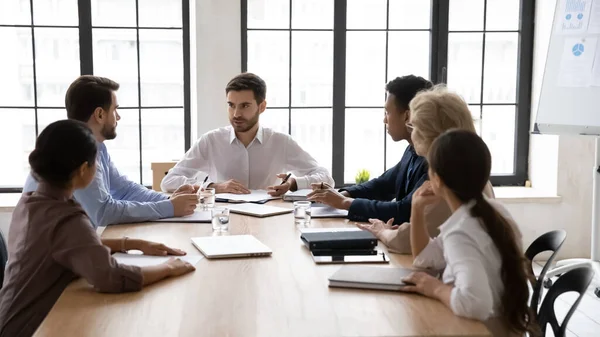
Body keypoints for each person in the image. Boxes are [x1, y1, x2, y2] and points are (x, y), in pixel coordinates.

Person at [0, 120, 196, 337]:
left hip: (11, 318)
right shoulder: (66, 218)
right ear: (84, 169)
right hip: (30, 328)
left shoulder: (32, 202)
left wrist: (132, 244)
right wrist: (167, 268)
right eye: (96, 163)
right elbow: (111, 277)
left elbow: (69, 244)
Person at [400, 129, 536, 337]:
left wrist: (435, 288)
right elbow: (423, 259)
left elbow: (475, 303)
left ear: (437, 180)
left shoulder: (460, 232)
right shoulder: (493, 211)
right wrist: (416, 210)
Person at [22, 75, 199, 227]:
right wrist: (170, 208)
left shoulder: (97, 146)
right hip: (51, 261)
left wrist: (168, 201)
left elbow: (124, 189)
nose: (118, 117)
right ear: (100, 115)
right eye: (115, 109)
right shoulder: (73, 152)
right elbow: (103, 213)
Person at [355, 86, 495, 253]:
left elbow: (406, 242)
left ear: (427, 133)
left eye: (413, 125)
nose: (410, 132)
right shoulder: (470, 170)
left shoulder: (446, 179)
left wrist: (382, 231)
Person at [161, 72, 334, 196]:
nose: (236, 113)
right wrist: (213, 186)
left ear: (262, 106)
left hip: (270, 221)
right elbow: (168, 182)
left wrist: (293, 183)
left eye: (244, 106)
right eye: (231, 105)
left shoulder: (281, 142)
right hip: (222, 219)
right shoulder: (211, 141)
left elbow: (326, 178)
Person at [307, 75, 432, 224]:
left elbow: (404, 211)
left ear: (407, 116)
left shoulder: (434, 159)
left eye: (387, 112)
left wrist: (344, 202)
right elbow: (382, 185)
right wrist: (340, 194)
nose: (384, 120)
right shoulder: (411, 151)